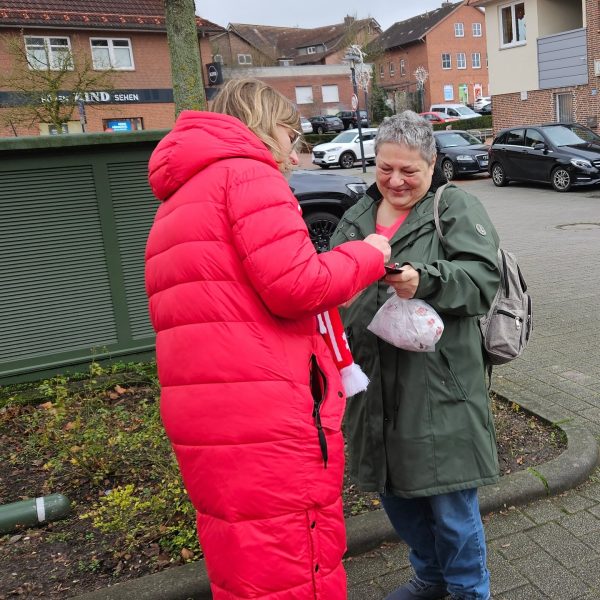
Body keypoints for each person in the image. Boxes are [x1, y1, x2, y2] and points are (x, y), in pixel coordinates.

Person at [144, 78, 391, 600]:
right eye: (290, 134)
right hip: (266, 414)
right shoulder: (248, 176)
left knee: (245, 558)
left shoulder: (179, 199)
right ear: (262, 125)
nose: (295, 154)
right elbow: (297, 286)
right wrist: (369, 254)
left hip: (211, 413)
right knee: (295, 563)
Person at [329, 111, 501, 600]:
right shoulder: (357, 215)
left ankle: (469, 590)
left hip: (438, 386)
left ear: (431, 165)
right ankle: (431, 579)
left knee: (450, 508)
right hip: (371, 384)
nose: (396, 181)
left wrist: (424, 279)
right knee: (397, 498)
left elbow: (483, 281)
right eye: (386, 168)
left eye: (410, 171)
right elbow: (332, 281)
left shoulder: (455, 207)